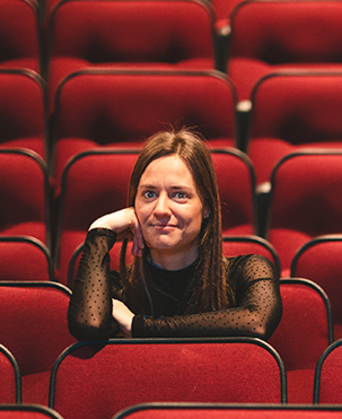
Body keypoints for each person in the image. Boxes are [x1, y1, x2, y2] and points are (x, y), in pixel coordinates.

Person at [67, 129, 281, 341]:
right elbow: (89, 327)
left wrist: (138, 326)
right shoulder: (117, 287)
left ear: (206, 207)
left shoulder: (247, 272)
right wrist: (100, 228)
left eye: (179, 195)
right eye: (149, 194)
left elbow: (257, 323)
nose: (160, 209)